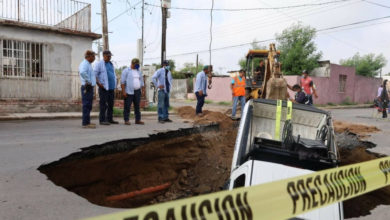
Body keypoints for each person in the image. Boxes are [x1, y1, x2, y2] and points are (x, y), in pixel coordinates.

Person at [94, 50, 118, 125]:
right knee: (103, 104)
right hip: (104, 88)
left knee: (111, 104)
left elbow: (113, 75)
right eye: (108, 56)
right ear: (104, 56)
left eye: (110, 56)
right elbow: (94, 75)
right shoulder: (99, 64)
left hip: (111, 88)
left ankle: (110, 119)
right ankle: (102, 120)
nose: (109, 57)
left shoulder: (111, 64)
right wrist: (99, 84)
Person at [121, 58, 145, 125]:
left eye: (138, 64)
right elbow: (122, 82)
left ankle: (138, 120)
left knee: (137, 106)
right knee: (127, 106)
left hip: (137, 91)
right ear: (132, 64)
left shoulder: (139, 72)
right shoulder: (126, 71)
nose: (137, 66)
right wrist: (123, 92)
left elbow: (142, 82)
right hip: (129, 91)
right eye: (136, 64)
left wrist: (142, 90)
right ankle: (126, 120)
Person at [79, 50, 97, 128]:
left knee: (89, 105)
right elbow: (82, 72)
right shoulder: (85, 64)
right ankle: (85, 123)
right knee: (86, 105)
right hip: (87, 86)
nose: (94, 58)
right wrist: (89, 81)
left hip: (89, 87)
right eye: (93, 56)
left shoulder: (88, 64)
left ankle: (87, 122)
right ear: (89, 56)